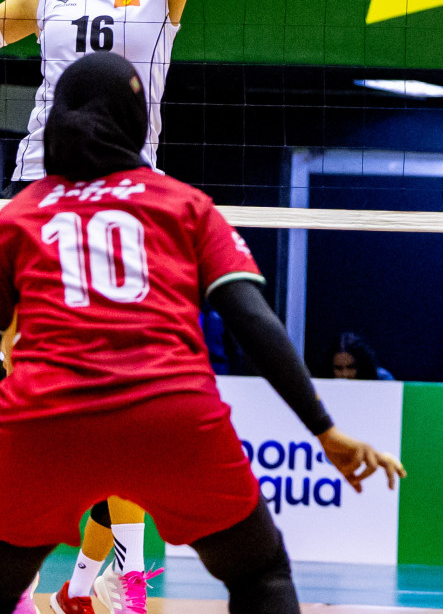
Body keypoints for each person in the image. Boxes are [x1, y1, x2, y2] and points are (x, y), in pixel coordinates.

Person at [0, 0, 399, 614]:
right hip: (37, 195)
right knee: (39, 381)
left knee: (119, 378)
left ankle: (118, 574)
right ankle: (85, 570)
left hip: (128, 197)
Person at [0, 53, 404, 614]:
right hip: (174, 413)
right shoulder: (182, 204)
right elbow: (253, 319)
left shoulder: (20, 214)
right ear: (136, 122)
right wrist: (324, 429)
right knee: (261, 574)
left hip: (45, 420)